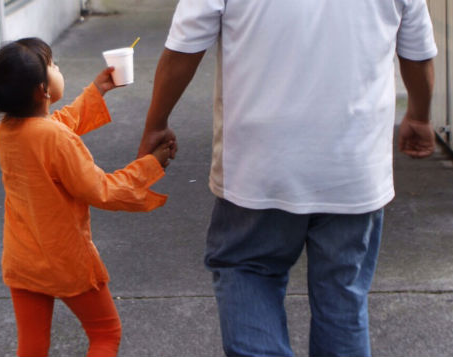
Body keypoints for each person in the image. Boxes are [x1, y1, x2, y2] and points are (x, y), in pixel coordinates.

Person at [138, 1, 437, 356]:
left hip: (258, 169)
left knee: (247, 272)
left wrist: (156, 123)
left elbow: (184, 47)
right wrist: (418, 115)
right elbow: (417, 52)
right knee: (343, 297)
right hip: (354, 171)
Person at [0, 37, 171, 357]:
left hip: (23, 259)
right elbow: (100, 190)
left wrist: (97, 92)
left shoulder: (9, 130)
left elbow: (54, 126)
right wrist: (150, 166)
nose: (58, 67)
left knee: (32, 346)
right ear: (43, 89)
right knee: (105, 333)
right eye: (53, 65)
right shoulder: (54, 138)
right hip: (66, 260)